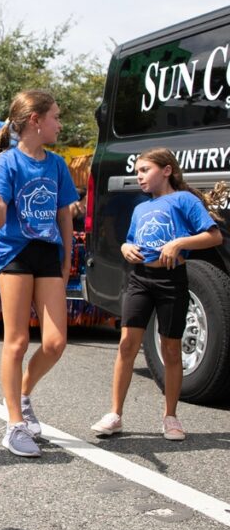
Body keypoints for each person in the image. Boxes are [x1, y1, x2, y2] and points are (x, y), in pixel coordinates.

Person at [91, 149, 222, 441]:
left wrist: (179, 243)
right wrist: (126, 248)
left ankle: (170, 417)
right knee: (127, 344)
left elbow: (214, 236)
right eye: (137, 171)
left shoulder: (184, 200)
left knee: (171, 349)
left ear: (166, 170)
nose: (139, 176)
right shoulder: (141, 208)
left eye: (145, 170)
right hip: (140, 279)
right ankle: (115, 415)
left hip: (171, 280)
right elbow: (131, 240)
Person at [0, 89, 79, 458]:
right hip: (15, 252)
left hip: (48, 254)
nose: (59, 123)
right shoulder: (6, 163)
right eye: (55, 116)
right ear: (35, 121)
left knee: (55, 343)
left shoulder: (55, 164)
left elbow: (63, 214)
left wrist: (68, 257)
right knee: (18, 340)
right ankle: (14, 425)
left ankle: (23, 394)